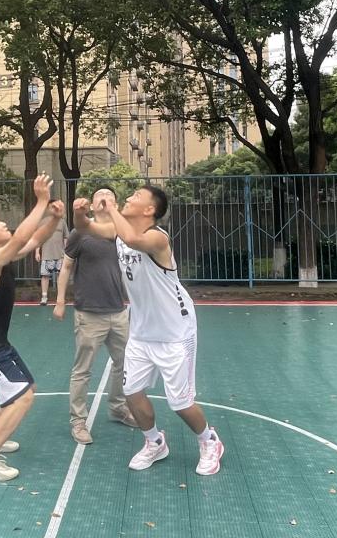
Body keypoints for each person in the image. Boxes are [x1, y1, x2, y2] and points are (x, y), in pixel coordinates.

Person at [73, 185, 224, 476]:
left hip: (175, 331)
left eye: (136, 196)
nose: (128, 198)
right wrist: (80, 213)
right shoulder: (118, 233)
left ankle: (210, 441)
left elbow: (133, 239)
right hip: (142, 331)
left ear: (149, 209)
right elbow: (85, 228)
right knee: (131, 391)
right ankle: (154, 442)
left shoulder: (157, 237)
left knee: (180, 402)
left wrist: (110, 207)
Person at [0, 174, 66, 482]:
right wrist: (41, 201)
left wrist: (53, 219)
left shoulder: (3, 256)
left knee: (26, 388)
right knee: (21, 398)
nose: (4, 223)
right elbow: (22, 238)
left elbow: (32, 240)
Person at [53, 187, 137, 444]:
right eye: (100, 195)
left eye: (110, 196)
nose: (104, 198)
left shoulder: (122, 232)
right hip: (89, 313)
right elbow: (66, 267)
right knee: (83, 369)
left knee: (125, 363)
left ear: (116, 204)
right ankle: (78, 420)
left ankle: (118, 407)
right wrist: (60, 301)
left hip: (118, 311)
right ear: (91, 204)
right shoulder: (80, 233)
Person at [35, 204, 68, 305]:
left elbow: (65, 237)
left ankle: (60, 297)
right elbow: (38, 238)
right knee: (45, 276)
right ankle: (44, 297)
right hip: (46, 254)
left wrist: (66, 252)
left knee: (60, 276)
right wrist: (37, 251)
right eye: (51, 208)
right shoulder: (42, 222)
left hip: (60, 254)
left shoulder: (62, 222)